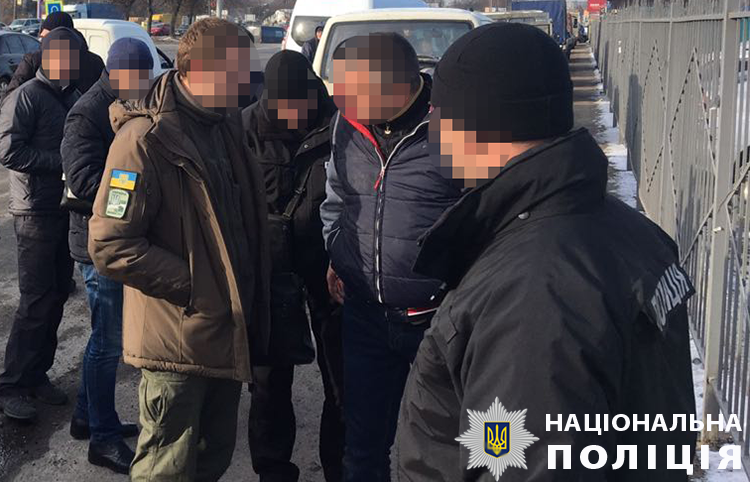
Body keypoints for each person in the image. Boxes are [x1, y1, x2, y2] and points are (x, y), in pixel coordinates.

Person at [396, 23, 696, 481]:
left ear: (473, 124)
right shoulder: (623, 228)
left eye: (436, 112)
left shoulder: (533, 291)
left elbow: (519, 463)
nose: (429, 128)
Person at [88, 18, 268, 481]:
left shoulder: (226, 125)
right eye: (237, 70)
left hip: (224, 331)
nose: (247, 79)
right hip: (179, 342)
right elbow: (110, 244)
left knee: (212, 458)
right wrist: (195, 285)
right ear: (199, 70)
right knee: (165, 468)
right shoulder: (142, 140)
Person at [320, 33, 462, 481]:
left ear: (399, 84)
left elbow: (484, 214)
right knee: (362, 449)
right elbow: (338, 193)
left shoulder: (453, 124)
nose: (341, 101)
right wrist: (338, 250)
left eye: (353, 91)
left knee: (457, 450)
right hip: (364, 316)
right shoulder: (348, 123)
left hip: (440, 321)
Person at [243, 50, 344, 482]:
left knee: (341, 379)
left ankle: (341, 468)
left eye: (299, 104)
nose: (292, 115)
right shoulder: (245, 128)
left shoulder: (339, 125)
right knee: (269, 381)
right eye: (282, 106)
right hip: (270, 273)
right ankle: (273, 471)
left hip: (329, 269)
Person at [60, 37, 155, 474]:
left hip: (123, 240)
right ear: (117, 73)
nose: (146, 82)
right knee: (107, 342)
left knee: (106, 337)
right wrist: (136, 185)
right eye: (139, 75)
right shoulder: (87, 113)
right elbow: (82, 181)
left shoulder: (133, 104)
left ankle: (86, 416)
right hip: (97, 245)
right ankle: (102, 438)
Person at [0, 27, 83, 421]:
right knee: (35, 301)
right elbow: (8, 151)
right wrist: (60, 165)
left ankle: (37, 374)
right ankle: (12, 384)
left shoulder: (72, 96)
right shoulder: (27, 96)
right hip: (33, 210)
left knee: (56, 295)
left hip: (64, 208)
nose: (72, 63)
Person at [6, 12, 105, 96]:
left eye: (46, 37)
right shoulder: (95, 62)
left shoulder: (34, 60)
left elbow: (11, 96)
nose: (43, 42)